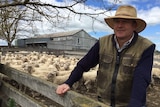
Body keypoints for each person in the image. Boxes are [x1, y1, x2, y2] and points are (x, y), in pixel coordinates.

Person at [56, 5, 155, 107]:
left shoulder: (145, 47)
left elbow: (141, 77)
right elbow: (83, 64)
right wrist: (68, 82)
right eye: (117, 21)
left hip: (128, 103)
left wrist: (135, 104)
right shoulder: (103, 42)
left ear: (134, 25)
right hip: (103, 102)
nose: (120, 25)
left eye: (125, 21)